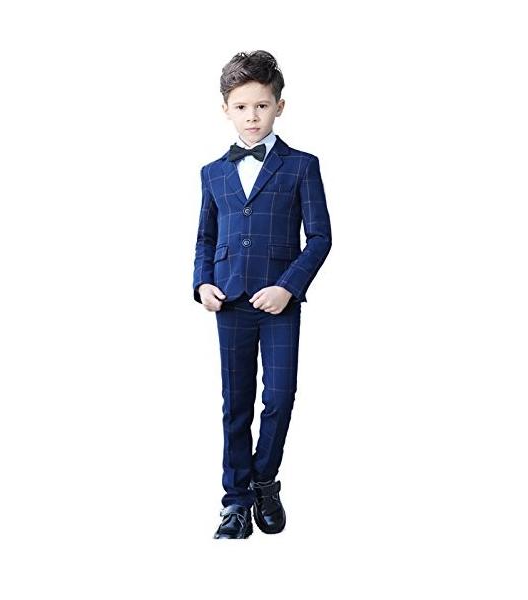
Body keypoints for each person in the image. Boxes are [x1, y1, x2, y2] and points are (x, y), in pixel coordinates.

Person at [192, 50, 332, 539]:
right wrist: (201, 283)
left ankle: (264, 482)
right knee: (236, 402)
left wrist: (288, 287)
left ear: (279, 106)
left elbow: (320, 237)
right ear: (226, 110)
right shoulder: (213, 172)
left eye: (262, 105)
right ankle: (235, 501)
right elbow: (206, 237)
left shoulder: (302, 166)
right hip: (229, 301)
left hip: (279, 304)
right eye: (241, 106)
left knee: (279, 396)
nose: (252, 116)